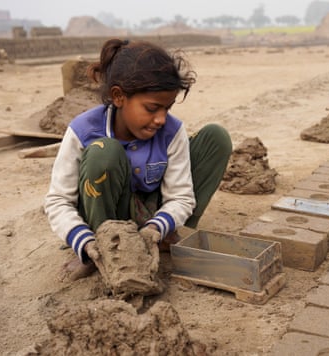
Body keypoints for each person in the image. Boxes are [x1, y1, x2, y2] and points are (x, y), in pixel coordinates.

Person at [45, 38, 232, 280]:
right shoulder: (84, 130)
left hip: (152, 212)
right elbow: (58, 200)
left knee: (216, 137)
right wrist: (83, 240)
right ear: (119, 96)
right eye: (152, 108)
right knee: (104, 152)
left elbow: (181, 196)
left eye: (168, 108)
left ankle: (166, 235)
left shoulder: (171, 132)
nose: (161, 119)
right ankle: (103, 251)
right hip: (106, 215)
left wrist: (158, 226)